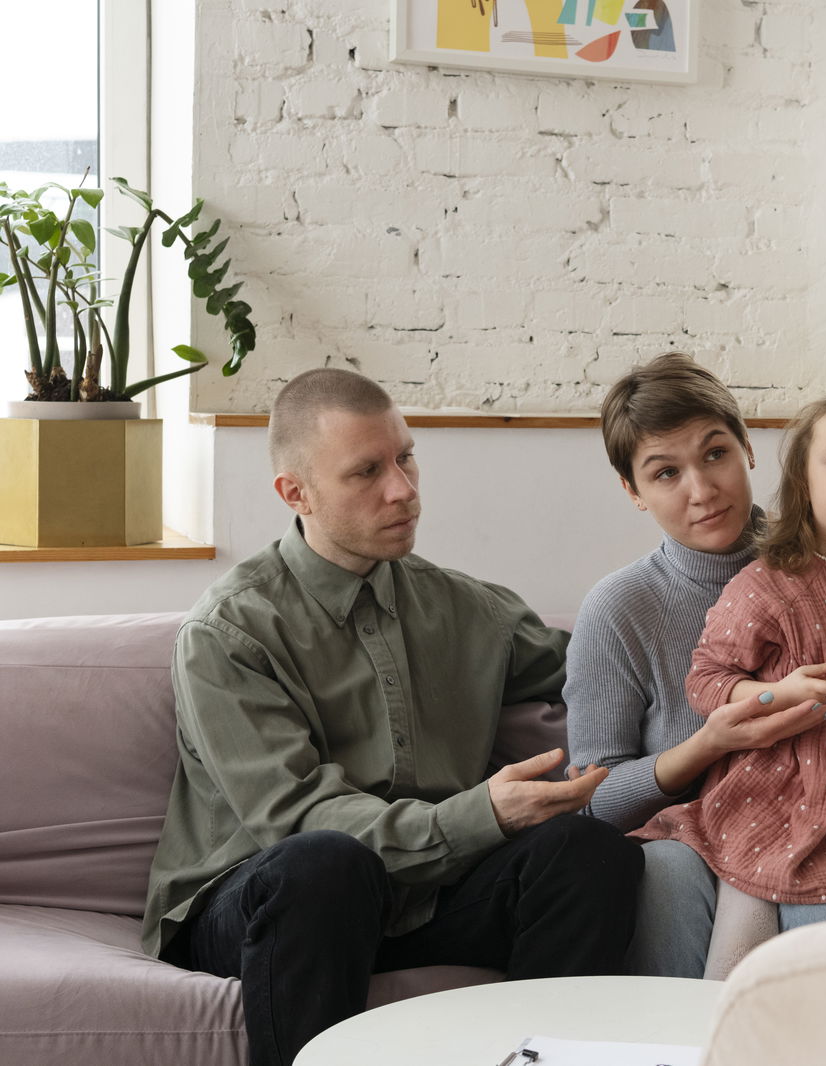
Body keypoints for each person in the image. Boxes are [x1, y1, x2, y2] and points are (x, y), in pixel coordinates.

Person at [142, 368, 643, 1066]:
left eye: (406, 457)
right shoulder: (230, 635)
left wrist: (749, 645)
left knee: (591, 854)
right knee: (326, 865)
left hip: (423, 899)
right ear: (296, 493)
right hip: (272, 903)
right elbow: (296, 820)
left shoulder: (468, 610)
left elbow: (611, 669)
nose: (404, 489)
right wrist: (482, 816)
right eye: (366, 471)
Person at [565, 354, 826, 978]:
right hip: (692, 829)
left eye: (715, 454)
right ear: (633, 492)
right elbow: (589, 805)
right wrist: (708, 744)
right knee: (664, 873)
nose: (702, 490)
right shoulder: (621, 609)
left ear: (750, 449)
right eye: (665, 473)